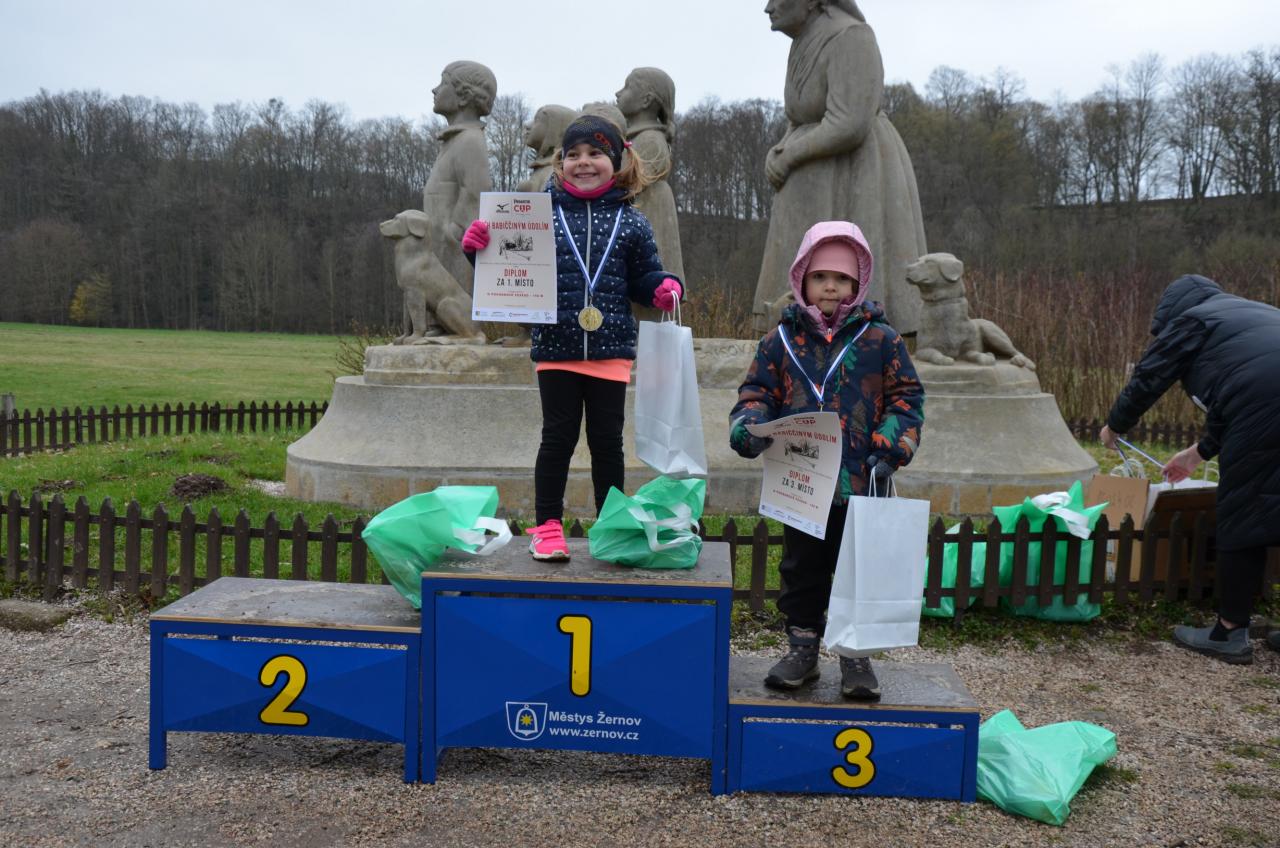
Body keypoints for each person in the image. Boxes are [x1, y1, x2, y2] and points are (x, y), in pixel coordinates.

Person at [461, 115, 684, 561]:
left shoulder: (633, 222)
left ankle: (612, 525)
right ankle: (547, 527)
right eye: (573, 154)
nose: (583, 162)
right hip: (557, 347)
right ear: (560, 163)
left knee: (607, 443)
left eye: (595, 153)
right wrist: (478, 250)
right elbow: (507, 273)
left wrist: (663, 287)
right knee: (557, 439)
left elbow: (644, 277)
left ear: (617, 161)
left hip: (611, 349)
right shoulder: (535, 216)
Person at [730, 220, 924, 699]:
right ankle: (802, 650)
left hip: (862, 478)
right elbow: (757, 394)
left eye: (841, 278)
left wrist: (891, 448)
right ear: (802, 279)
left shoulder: (882, 339)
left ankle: (856, 657)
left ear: (858, 283)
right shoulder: (780, 340)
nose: (831, 286)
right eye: (820, 277)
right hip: (801, 483)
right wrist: (749, 427)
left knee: (858, 570)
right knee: (802, 569)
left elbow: (906, 398)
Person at [1100, 274, 1280, 665]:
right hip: (1262, 400)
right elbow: (1244, 386)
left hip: (1262, 405)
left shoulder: (1193, 320)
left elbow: (1150, 376)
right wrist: (1198, 453)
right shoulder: (1252, 314)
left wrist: (1115, 425)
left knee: (1244, 513)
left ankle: (1229, 632)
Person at [752, 0, 927, 336]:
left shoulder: (852, 36)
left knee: (846, 275)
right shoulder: (802, 41)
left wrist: (789, 155)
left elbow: (849, 123)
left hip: (853, 171)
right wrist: (780, 148)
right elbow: (799, 114)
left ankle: (866, 340)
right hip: (809, 178)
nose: (768, 7)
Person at [616, 68, 685, 288]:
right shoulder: (636, 140)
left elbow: (625, 183)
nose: (618, 93)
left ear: (646, 100)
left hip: (649, 251)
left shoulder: (650, 141)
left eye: (627, 87)